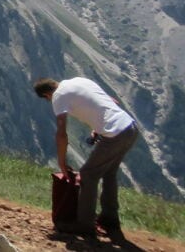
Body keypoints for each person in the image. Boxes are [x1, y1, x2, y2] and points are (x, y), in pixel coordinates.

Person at [33, 77, 139, 238]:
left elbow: (61, 133)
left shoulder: (58, 97)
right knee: (109, 173)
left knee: (88, 175)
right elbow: (110, 102)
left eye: (48, 99)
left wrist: (62, 162)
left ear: (47, 94)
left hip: (114, 134)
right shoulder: (79, 80)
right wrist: (98, 128)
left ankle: (85, 224)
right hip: (129, 127)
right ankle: (110, 219)